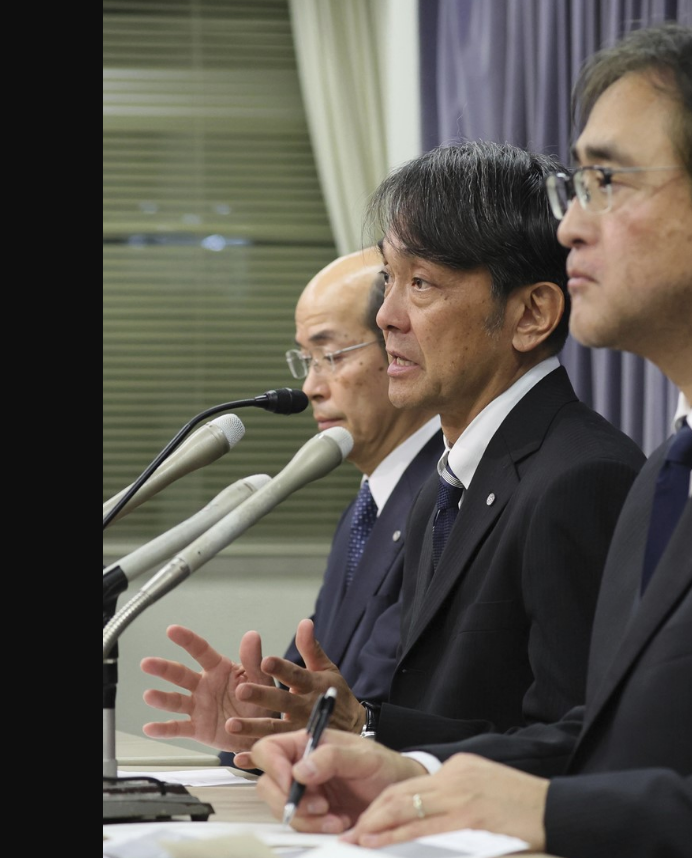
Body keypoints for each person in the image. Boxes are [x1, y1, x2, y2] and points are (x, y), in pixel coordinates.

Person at [246, 21, 692, 858]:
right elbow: (606, 741)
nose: (568, 230)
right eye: (575, 189)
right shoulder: (672, 473)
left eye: (604, 182)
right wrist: (413, 773)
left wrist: (554, 817)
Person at [226, 139, 644, 753]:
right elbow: (444, 714)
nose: (387, 317)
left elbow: (580, 744)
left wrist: (372, 734)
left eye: (421, 283)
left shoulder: (583, 477)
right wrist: (347, 724)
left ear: (532, 314)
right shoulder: (446, 485)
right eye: (388, 280)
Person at [135, 248, 442, 754]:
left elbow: (379, 706)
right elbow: (316, 682)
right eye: (305, 359)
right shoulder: (366, 509)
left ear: (400, 343)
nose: (310, 386)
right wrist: (256, 721)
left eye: (331, 355)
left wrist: (297, 731)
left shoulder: (448, 498)